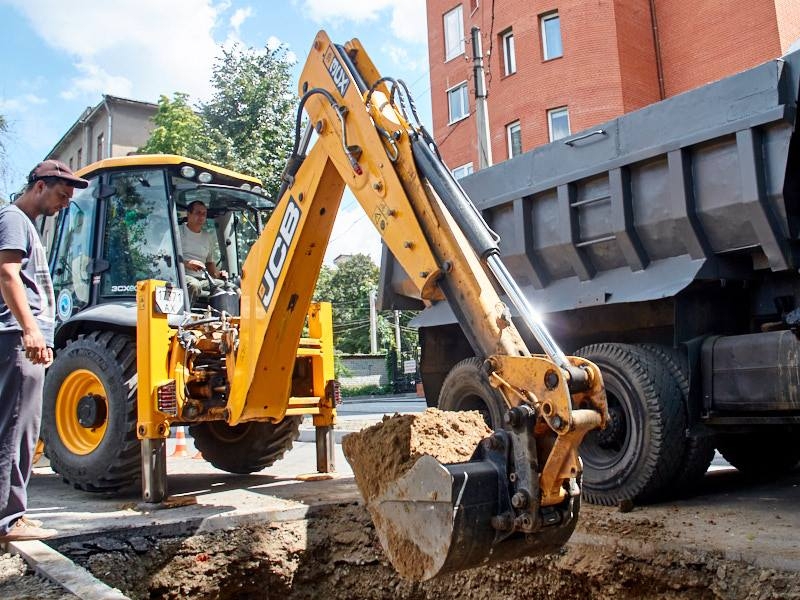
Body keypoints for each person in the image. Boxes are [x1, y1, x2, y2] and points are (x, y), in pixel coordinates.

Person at [0, 159, 87, 541]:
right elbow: (7, 274)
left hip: (22, 338)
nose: (65, 203)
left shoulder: (26, 226)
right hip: (17, 338)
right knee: (17, 428)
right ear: (40, 186)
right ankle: (7, 519)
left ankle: (11, 515)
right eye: (61, 194)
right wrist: (31, 330)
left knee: (21, 427)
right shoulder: (15, 220)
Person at [180, 200, 227, 305]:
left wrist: (219, 275)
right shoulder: (177, 232)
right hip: (181, 277)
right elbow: (165, 257)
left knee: (228, 286)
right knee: (194, 285)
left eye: (204, 214)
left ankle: (223, 317)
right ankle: (186, 316)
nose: (201, 217)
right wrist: (187, 264)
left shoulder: (207, 237)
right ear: (188, 214)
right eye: (198, 213)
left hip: (202, 279)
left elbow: (209, 263)